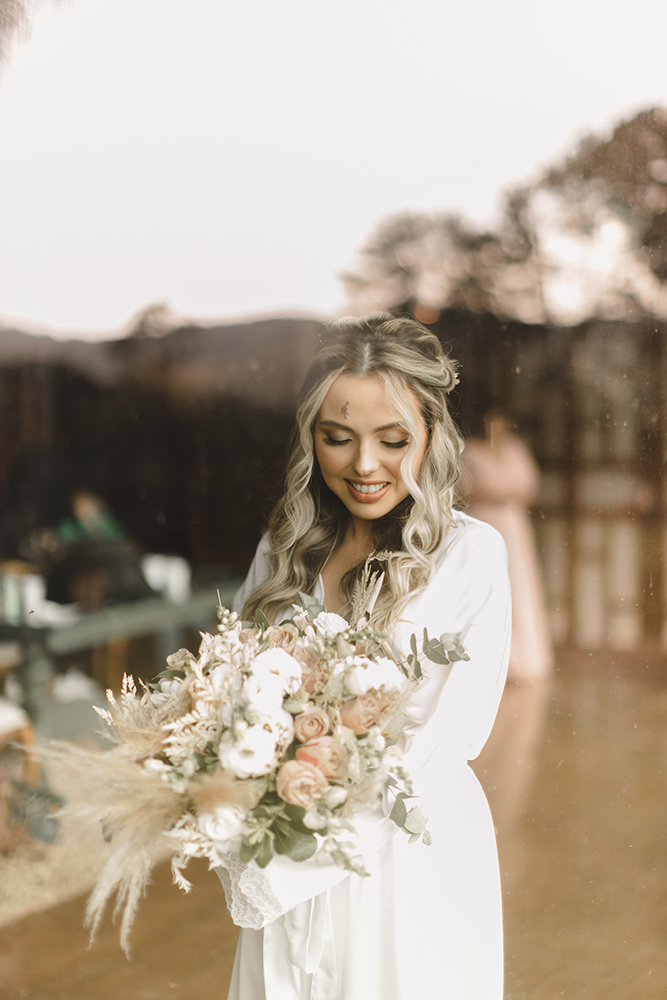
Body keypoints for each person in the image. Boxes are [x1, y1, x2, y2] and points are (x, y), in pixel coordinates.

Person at [223, 314, 511, 1000]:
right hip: (286, 842)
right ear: (309, 438)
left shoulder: (468, 556)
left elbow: (444, 737)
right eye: (337, 438)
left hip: (403, 861)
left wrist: (287, 867)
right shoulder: (283, 552)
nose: (363, 465)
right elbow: (233, 692)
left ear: (432, 436)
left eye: (393, 440)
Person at [460, 412, 554, 682]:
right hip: (486, 518)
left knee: (519, 584)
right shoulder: (473, 452)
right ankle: (487, 655)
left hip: (512, 523)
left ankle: (524, 656)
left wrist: (507, 494)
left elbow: (529, 488)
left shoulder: (516, 451)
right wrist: (491, 492)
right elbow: (462, 488)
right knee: (487, 584)